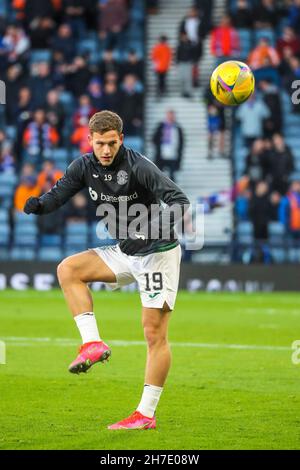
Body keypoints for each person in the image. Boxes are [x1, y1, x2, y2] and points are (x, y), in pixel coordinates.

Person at [23, 110, 189, 430]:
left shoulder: (140, 166)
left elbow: (180, 202)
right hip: (126, 251)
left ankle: (145, 414)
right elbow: (60, 193)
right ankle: (92, 344)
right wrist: (40, 205)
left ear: (121, 139)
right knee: (69, 270)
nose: (106, 150)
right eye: (100, 144)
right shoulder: (83, 167)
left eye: (112, 143)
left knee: (154, 334)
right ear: (90, 140)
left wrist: (152, 229)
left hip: (157, 252)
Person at [152, 110, 184, 181]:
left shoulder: (177, 128)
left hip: (173, 155)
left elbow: (181, 143)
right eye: (169, 116)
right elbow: (154, 139)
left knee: (172, 177)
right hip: (162, 154)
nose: (171, 118)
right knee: (159, 176)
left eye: (172, 116)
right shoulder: (161, 126)